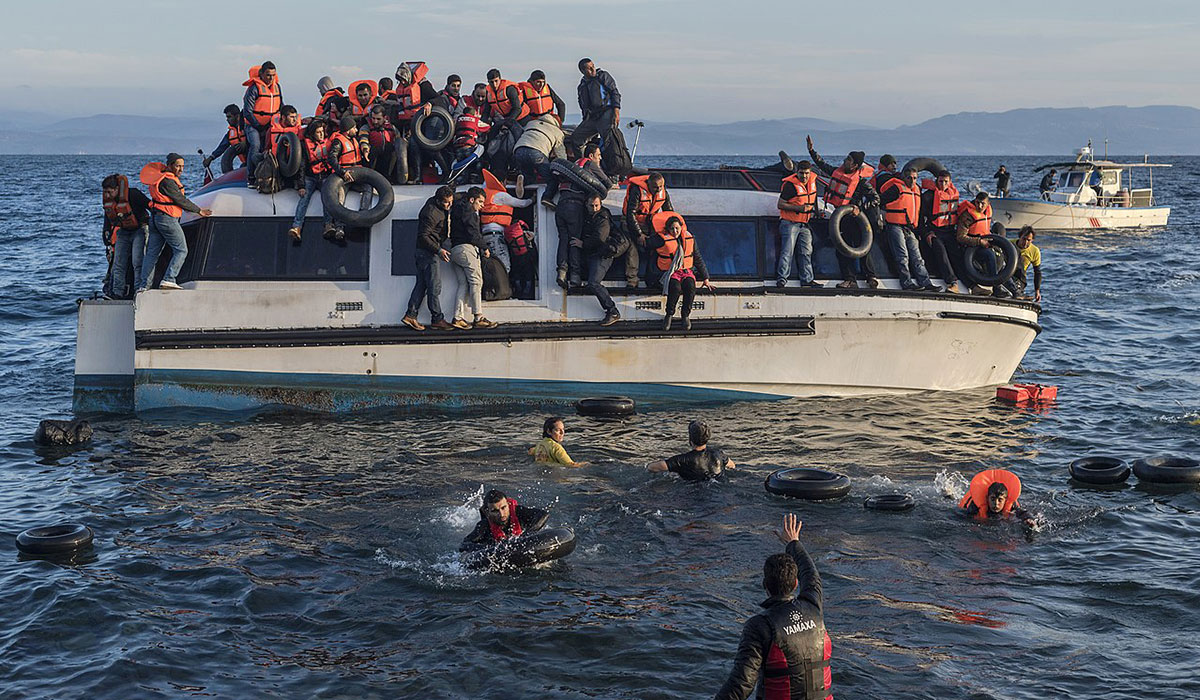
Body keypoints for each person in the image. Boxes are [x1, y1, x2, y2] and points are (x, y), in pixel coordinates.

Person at [714, 513, 833, 700]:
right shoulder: (812, 606)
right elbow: (811, 575)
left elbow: (741, 684)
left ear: (765, 586)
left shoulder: (759, 626)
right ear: (795, 584)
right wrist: (794, 542)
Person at [806, 135, 880, 289]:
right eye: (846, 158)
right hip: (841, 219)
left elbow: (875, 199)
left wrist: (859, 208)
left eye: (848, 160)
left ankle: (871, 277)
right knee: (842, 249)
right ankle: (849, 279)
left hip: (857, 219)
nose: (845, 161)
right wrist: (812, 151)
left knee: (863, 248)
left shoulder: (861, 183)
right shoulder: (836, 172)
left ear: (855, 165)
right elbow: (821, 164)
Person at [138, 154, 212, 292]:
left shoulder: (159, 179)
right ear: (170, 165)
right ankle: (169, 279)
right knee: (181, 249)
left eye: (182, 166)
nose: (181, 170)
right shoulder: (168, 181)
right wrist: (198, 211)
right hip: (166, 219)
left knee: (152, 254)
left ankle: (144, 286)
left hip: (155, 218)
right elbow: (180, 200)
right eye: (178, 166)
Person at [878, 165, 941, 291]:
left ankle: (925, 282)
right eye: (909, 178)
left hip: (910, 228)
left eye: (914, 178)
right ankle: (906, 283)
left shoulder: (917, 190)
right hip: (895, 226)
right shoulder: (896, 188)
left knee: (917, 257)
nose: (912, 181)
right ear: (903, 178)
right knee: (902, 256)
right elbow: (881, 200)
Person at [402, 186, 456, 331]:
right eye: (446, 203)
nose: (450, 205)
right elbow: (423, 236)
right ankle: (437, 319)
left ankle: (410, 315)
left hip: (422, 252)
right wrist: (439, 250)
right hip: (428, 253)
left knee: (422, 285)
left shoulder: (436, 204)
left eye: (451, 201)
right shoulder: (431, 213)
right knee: (434, 286)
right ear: (438, 201)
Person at [649, 213, 712, 330]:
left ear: (681, 228)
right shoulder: (660, 240)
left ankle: (685, 315)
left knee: (690, 286)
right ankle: (669, 314)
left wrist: (705, 278)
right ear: (668, 229)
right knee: (675, 288)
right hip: (671, 271)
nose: (675, 231)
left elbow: (697, 258)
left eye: (677, 228)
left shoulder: (689, 239)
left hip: (686, 271)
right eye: (672, 228)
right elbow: (646, 244)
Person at [449, 186, 499, 329]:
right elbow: (473, 234)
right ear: (472, 200)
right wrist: (485, 247)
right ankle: (478, 317)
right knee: (476, 281)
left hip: (455, 249)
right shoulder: (470, 212)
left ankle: (458, 317)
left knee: (463, 284)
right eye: (480, 202)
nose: (482, 206)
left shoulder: (457, 209)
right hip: (467, 249)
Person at [580, 193, 629, 326]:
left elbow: (600, 238)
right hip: (597, 253)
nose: (594, 208)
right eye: (592, 205)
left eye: (597, 205)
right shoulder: (591, 216)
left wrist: (583, 244)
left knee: (594, 283)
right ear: (586, 205)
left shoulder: (602, 218)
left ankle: (612, 310)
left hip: (604, 254)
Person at [101, 173, 151, 299]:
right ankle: (117, 292)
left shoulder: (133, 194)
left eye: (109, 192)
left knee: (137, 262)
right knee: (118, 263)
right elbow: (107, 220)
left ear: (117, 189)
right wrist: (106, 236)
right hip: (123, 232)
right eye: (105, 192)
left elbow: (150, 206)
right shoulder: (109, 201)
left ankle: (138, 292)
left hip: (139, 230)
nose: (107, 195)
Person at [287, 120, 335, 242]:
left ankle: (328, 225)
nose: (321, 135)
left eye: (322, 132)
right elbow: (301, 167)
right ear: (312, 133)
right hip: (310, 177)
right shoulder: (305, 146)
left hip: (324, 176)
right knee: (304, 199)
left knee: (327, 197)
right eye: (318, 132)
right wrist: (301, 185)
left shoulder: (328, 144)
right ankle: (296, 227)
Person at [390, 62, 439, 184]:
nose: (401, 83)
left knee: (422, 146)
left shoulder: (423, 85)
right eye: (399, 80)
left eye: (403, 80)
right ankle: (415, 176)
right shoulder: (402, 89)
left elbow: (438, 98)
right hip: (412, 124)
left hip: (427, 121)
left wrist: (429, 103)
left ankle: (437, 173)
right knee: (411, 145)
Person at [622, 171, 673, 288]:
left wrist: (672, 228)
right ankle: (632, 280)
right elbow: (630, 214)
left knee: (659, 244)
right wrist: (639, 234)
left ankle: (655, 278)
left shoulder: (662, 192)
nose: (659, 189)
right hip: (631, 221)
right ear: (649, 185)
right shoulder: (637, 190)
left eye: (661, 186)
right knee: (632, 246)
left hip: (650, 222)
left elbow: (669, 212)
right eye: (655, 187)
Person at [776, 160, 822, 289]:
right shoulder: (790, 186)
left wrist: (816, 211)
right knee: (787, 252)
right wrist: (800, 208)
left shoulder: (812, 181)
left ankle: (807, 279)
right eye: (801, 173)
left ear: (810, 172)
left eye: (807, 173)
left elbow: (813, 198)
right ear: (797, 172)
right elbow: (780, 204)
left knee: (806, 252)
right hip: (790, 223)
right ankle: (782, 279)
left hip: (804, 224)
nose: (804, 176)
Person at [459, 489, 549, 552]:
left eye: (504, 507)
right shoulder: (484, 525)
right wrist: (488, 548)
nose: (502, 514)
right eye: (495, 511)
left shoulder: (518, 512)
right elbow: (464, 544)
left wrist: (526, 536)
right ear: (487, 512)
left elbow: (543, 515)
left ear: (508, 504)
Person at [646, 420, 736, 481]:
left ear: (690, 439)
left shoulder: (682, 460)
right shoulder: (719, 454)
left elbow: (652, 467)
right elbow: (732, 466)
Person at [480, 170, 533, 272]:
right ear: (501, 182)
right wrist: (533, 199)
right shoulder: (500, 196)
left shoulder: (485, 193)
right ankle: (502, 287)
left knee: (490, 269)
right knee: (504, 267)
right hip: (495, 236)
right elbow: (522, 204)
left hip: (485, 236)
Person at [918, 170, 961, 293]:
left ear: (950, 182)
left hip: (949, 231)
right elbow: (921, 218)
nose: (943, 184)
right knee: (940, 250)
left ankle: (972, 284)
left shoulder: (953, 195)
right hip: (935, 232)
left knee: (956, 254)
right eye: (940, 181)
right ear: (936, 181)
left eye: (945, 182)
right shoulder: (928, 196)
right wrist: (927, 233)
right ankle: (952, 282)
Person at [241, 61, 282, 188]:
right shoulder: (253, 89)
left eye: (273, 75)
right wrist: (258, 126)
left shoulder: (277, 87)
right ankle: (251, 177)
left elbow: (281, 105)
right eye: (268, 75)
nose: (271, 78)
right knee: (255, 146)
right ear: (261, 74)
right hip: (253, 126)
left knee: (270, 149)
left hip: (270, 126)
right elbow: (247, 111)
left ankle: (269, 176)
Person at [567, 58, 620, 154]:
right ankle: (582, 164)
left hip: (606, 113)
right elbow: (582, 104)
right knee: (576, 138)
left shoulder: (603, 76)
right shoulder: (582, 86)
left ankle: (612, 164)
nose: (593, 70)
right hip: (592, 117)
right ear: (582, 71)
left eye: (593, 66)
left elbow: (614, 92)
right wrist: (585, 119)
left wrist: (616, 112)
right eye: (589, 68)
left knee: (608, 141)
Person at [325, 115, 364, 242]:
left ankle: (364, 212)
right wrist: (342, 172)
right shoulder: (338, 142)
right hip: (343, 177)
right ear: (348, 130)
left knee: (368, 189)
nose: (356, 130)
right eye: (354, 128)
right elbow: (332, 158)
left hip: (356, 175)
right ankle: (339, 227)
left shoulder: (353, 140)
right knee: (340, 199)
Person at [954, 191, 996, 295]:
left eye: (983, 204)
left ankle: (1008, 286)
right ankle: (996, 286)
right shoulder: (967, 215)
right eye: (977, 203)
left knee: (999, 255)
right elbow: (960, 237)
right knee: (989, 255)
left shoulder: (987, 212)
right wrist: (978, 242)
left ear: (988, 204)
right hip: (969, 247)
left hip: (984, 242)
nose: (980, 206)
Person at [958, 469, 1034, 527]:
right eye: (992, 499)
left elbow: (1023, 513)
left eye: (1000, 500)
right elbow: (964, 517)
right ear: (987, 498)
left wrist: (1028, 519)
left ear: (1005, 500)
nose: (996, 504)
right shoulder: (975, 505)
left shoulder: (1011, 505)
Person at [512, 114, 567, 186]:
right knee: (551, 181)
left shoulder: (531, 123)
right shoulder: (557, 131)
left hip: (519, 150)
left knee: (529, 176)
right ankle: (546, 197)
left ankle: (523, 182)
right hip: (536, 152)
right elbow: (560, 153)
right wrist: (565, 167)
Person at [359, 104, 402, 183]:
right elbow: (363, 139)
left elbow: (399, 140)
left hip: (387, 160)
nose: (375, 121)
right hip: (371, 157)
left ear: (384, 118)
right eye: (373, 118)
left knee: (392, 150)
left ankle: (390, 177)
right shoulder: (366, 127)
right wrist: (365, 149)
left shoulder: (392, 128)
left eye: (378, 119)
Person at [202, 104, 247, 174]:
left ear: (237, 116)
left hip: (255, 161)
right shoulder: (230, 134)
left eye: (229, 117)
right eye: (226, 117)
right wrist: (210, 158)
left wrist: (246, 143)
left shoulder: (247, 127)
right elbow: (222, 147)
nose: (227, 120)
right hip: (245, 164)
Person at [1008, 226, 1042, 301]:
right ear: (1020, 237)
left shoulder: (1035, 251)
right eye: (1024, 239)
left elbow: (1037, 272)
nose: (1025, 242)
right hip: (1007, 274)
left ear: (1032, 240)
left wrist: (1037, 291)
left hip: (1020, 277)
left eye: (1028, 240)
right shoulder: (1009, 244)